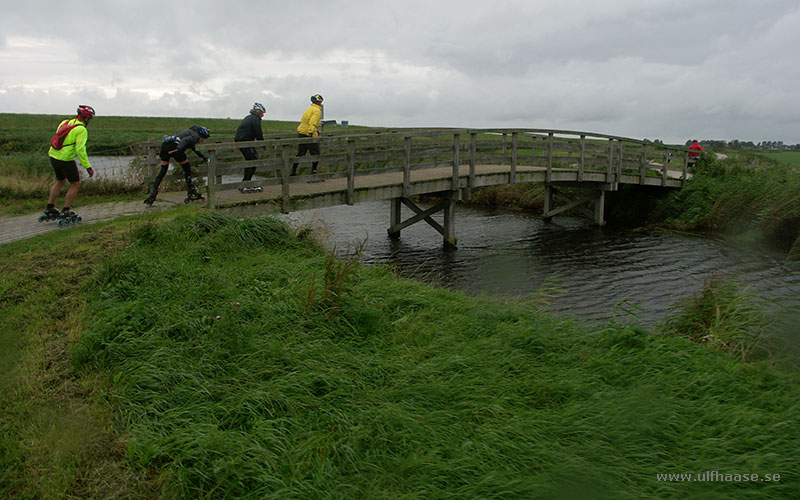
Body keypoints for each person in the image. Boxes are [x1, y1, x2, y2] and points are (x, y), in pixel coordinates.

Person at [42, 105, 96, 221]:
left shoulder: (65, 122)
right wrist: (88, 167)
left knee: (60, 180)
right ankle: (66, 210)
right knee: (75, 184)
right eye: (90, 118)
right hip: (66, 159)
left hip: (53, 156)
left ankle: (50, 207)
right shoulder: (81, 130)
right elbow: (80, 150)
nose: (90, 121)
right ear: (86, 118)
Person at [144, 125, 210, 205]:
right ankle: (191, 191)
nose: (202, 141)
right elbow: (185, 141)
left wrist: (204, 157)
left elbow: (195, 149)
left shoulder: (189, 132)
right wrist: (178, 150)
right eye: (203, 140)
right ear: (202, 136)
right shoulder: (195, 136)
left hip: (166, 145)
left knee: (163, 171)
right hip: (176, 147)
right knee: (187, 169)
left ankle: (153, 193)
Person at [291, 94, 324, 180]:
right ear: (319, 102)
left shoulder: (309, 109)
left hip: (301, 133)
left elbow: (306, 120)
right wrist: (311, 133)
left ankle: (293, 171)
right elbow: (312, 122)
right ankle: (314, 171)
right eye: (320, 101)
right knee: (316, 154)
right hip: (309, 134)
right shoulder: (317, 111)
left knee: (301, 153)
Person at [235, 102, 266, 193]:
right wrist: (262, 143)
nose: (263, 115)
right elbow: (258, 132)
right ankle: (245, 184)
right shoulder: (255, 119)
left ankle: (245, 183)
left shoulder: (248, 117)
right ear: (258, 112)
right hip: (245, 142)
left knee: (251, 161)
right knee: (253, 161)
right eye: (262, 113)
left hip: (242, 141)